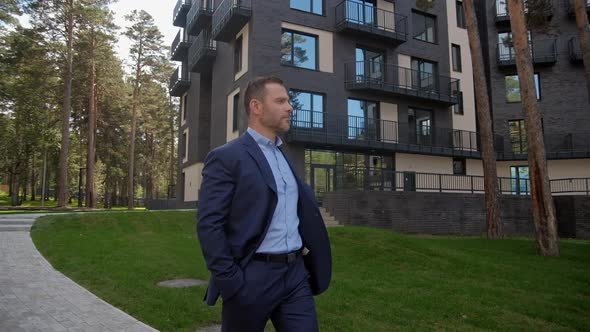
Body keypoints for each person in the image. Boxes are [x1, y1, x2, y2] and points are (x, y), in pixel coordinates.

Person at [197, 76, 332, 332]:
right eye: (281, 101)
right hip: (251, 277)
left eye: (289, 101)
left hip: (295, 276)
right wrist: (231, 280)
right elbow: (209, 224)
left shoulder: (283, 154)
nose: (290, 107)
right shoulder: (226, 157)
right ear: (256, 107)